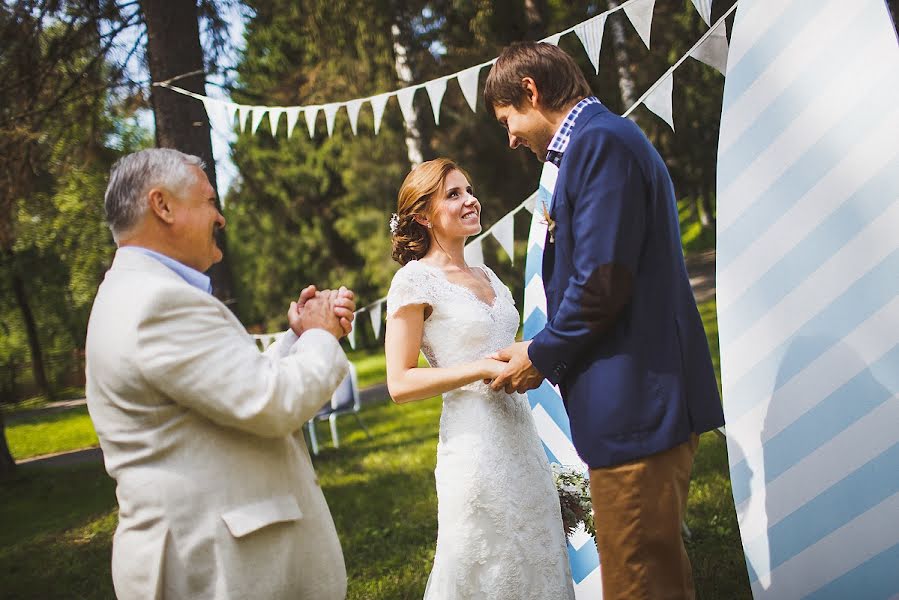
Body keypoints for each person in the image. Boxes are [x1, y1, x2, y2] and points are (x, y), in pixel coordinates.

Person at [484, 42, 726, 600]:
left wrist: (539, 354)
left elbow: (601, 283)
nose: (511, 138)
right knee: (659, 574)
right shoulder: (601, 142)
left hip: (637, 402)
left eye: (508, 120)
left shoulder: (598, 146)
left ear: (531, 92)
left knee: (634, 578)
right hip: (640, 400)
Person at [85, 148, 356, 599]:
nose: (221, 218)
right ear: (163, 205)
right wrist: (321, 335)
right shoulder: (158, 303)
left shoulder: (140, 293)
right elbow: (271, 404)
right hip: (215, 568)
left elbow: (232, 388)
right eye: (209, 201)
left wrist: (296, 338)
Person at [384, 158, 575, 599]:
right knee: (485, 563)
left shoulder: (488, 275)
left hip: (522, 437)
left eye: (468, 190)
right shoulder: (414, 282)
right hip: (473, 445)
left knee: (538, 554)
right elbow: (399, 382)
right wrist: (480, 369)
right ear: (422, 215)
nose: (470, 200)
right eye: (453, 194)